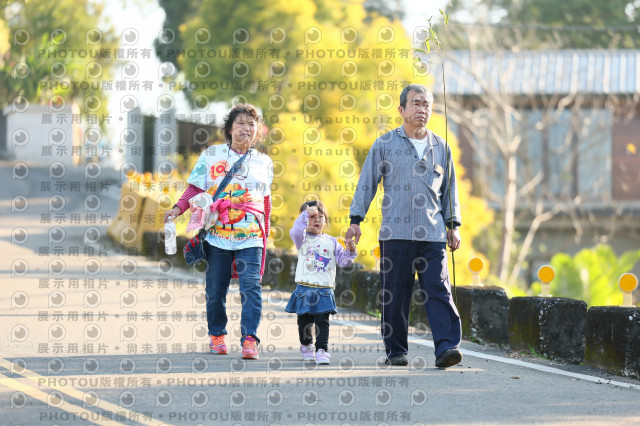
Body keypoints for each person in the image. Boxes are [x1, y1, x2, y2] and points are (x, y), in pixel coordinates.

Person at [345, 84, 463, 368]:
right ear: (401, 109)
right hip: (395, 233)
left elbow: (450, 190)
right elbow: (366, 183)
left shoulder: (441, 146)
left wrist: (453, 225)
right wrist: (355, 220)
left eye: (427, 104)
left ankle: (447, 348)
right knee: (395, 294)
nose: (422, 109)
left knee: (439, 289)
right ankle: (396, 350)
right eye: (416, 103)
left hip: (433, 233)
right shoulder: (385, 144)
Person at [164, 103, 273, 360]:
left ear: (257, 131)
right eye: (240, 123)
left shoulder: (264, 162)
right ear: (229, 129)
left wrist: (265, 236)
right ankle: (217, 335)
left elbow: (266, 202)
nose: (246, 128)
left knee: (251, 288)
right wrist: (177, 209)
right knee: (215, 290)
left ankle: (249, 339)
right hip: (217, 235)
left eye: (251, 124)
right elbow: (195, 188)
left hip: (251, 236)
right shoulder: (212, 155)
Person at [286, 200, 357, 365]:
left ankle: (322, 350)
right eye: (312, 217)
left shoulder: (331, 241)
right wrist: (305, 214)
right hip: (304, 289)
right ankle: (306, 346)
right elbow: (295, 231)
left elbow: (343, 262)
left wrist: (350, 250)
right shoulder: (302, 239)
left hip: (324, 290)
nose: (316, 220)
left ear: (326, 220)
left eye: (320, 217)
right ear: (304, 218)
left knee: (322, 322)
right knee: (304, 322)